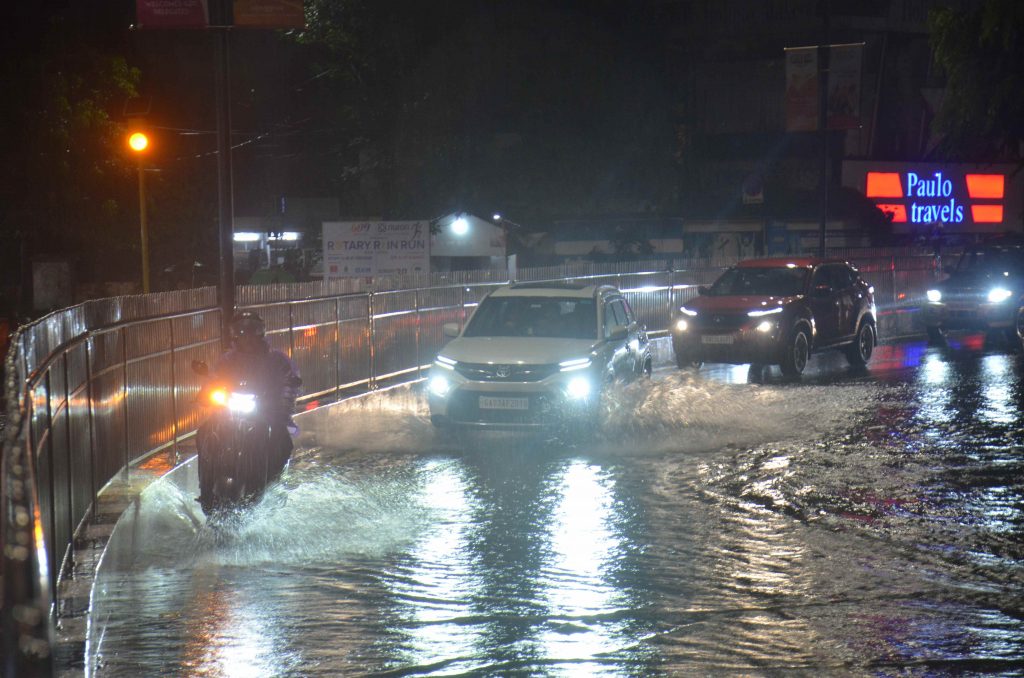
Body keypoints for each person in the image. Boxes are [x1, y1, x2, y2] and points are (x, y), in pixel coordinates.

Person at [213, 311, 301, 477]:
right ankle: (209, 482)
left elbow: (290, 381)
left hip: (268, 410)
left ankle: (275, 475)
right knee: (205, 432)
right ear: (235, 335)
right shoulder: (226, 360)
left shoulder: (276, 359)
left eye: (252, 331)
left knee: (282, 437)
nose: (247, 337)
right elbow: (214, 379)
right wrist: (209, 392)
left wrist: (283, 399)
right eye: (241, 332)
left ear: (260, 333)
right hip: (231, 411)